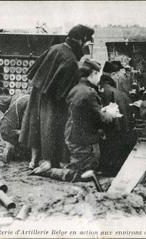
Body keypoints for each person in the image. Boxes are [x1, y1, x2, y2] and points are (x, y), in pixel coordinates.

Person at [19, 24, 95, 171]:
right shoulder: (71, 60)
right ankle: (49, 160)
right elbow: (65, 93)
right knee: (51, 127)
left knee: (35, 125)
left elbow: (33, 73)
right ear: (80, 41)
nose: (86, 49)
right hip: (53, 100)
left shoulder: (55, 48)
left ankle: (33, 159)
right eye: (86, 44)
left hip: (37, 93)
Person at [97, 61, 133, 175]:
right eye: (121, 75)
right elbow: (123, 125)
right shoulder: (116, 93)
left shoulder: (96, 86)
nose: (123, 78)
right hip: (114, 142)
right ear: (113, 75)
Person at [0, 94, 30, 162]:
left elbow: (1, 106)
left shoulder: (17, 95)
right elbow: (25, 121)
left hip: (2, 126)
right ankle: (12, 149)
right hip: (12, 132)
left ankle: (9, 146)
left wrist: (9, 116)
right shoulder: (29, 101)